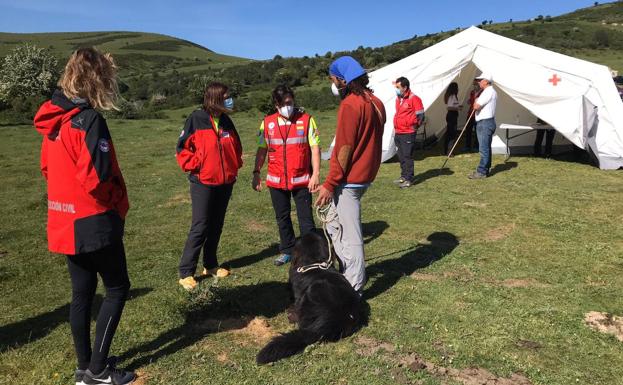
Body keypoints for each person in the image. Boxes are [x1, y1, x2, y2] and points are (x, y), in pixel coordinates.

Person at [34, 47, 135, 385]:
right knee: (118, 287)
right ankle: (98, 370)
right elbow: (97, 177)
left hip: (64, 219)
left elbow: (47, 168)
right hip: (93, 219)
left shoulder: (54, 121)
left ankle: (84, 366)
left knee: (82, 293)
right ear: (97, 80)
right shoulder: (90, 120)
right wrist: (116, 203)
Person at [315, 56, 386, 294]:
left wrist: (329, 182)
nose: (333, 83)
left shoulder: (350, 105)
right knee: (335, 225)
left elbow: (344, 149)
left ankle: (353, 287)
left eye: (334, 79)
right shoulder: (376, 101)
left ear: (343, 79)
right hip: (365, 175)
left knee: (351, 234)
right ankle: (345, 271)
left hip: (350, 180)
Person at [176, 82, 243, 290]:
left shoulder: (226, 120)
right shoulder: (196, 119)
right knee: (201, 225)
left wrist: (234, 166)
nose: (230, 99)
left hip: (225, 182)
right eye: (227, 96)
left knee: (216, 224)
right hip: (203, 182)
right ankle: (186, 271)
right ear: (215, 98)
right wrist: (198, 165)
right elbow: (182, 149)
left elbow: (236, 146)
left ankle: (210, 265)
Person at [252, 85, 320, 266]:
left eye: (290, 102)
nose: (287, 106)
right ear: (276, 104)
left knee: (306, 219)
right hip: (276, 181)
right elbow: (261, 149)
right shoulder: (267, 123)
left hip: (302, 179)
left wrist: (316, 175)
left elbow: (315, 148)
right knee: (282, 217)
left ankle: (310, 253)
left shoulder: (307, 120)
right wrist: (256, 172)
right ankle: (287, 249)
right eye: (283, 103)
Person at [393, 77, 424, 188]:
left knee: (407, 156)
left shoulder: (414, 98)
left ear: (405, 87)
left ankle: (409, 179)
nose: (396, 89)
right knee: (401, 156)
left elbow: (420, 115)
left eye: (398, 87)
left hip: (408, 132)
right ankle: (403, 176)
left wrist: (414, 127)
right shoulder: (399, 98)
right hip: (398, 131)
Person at [469, 72, 498, 179]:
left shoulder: (488, 92)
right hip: (487, 122)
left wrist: (476, 101)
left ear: (486, 81)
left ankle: (481, 171)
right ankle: (485, 169)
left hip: (485, 123)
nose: (479, 82)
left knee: (483, 148)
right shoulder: (490, 91)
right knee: (486, 147)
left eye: (480, 80)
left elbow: (476, 106)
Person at [444, 82, 461, 156]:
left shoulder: (451, 96)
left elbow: (451, 105)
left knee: (449, 133)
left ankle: (447, 150)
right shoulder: (452, 96)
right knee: (452, 134)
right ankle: (449, 151)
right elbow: (449, 107)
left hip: (451, 115)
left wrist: (458, 106)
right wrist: (458, 108)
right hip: (452, 115)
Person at [463, 79, 480, 152]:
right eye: (474, 84)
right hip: (470, 113)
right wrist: (469, 101)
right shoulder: (472, 92)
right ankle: (467, 146)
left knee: (477, 131)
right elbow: (471, 100)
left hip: (477, 114)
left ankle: (476, 146)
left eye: (475, 84)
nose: (474, 86)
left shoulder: (482, 93)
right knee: (468, 130)